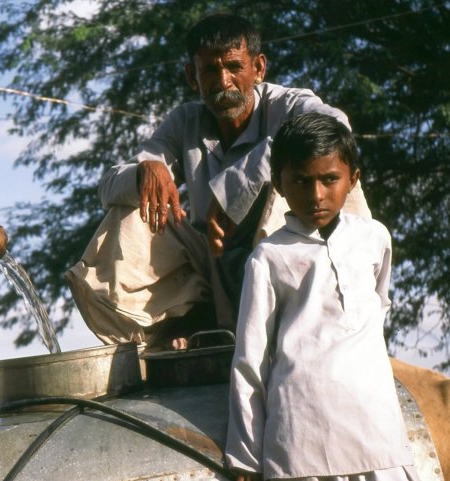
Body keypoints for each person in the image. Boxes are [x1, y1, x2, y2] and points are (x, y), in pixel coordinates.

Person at [66, 13, 370, 349]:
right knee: (129, 209)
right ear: (192, 77)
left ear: (259, 68)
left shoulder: (287, 104)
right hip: (214, 272)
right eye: (210, 70)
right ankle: (184, 325)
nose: (223, 81)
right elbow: (108, 187)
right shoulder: (185, 121)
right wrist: (144, 172)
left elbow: (336, 126)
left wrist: (234, 189)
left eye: (234, 67)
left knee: (312, 172)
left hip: (289, 268)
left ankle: (322, 317)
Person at [225, 112, 417, 481]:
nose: (316, 195)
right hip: (301, 442)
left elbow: (376, 314)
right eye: (300, 181)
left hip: (377, 434)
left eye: (330, 179)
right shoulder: (268, 257)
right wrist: (246, 458)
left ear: (353, 180)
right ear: (279, 186)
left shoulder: (375, 239)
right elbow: (250, 361)